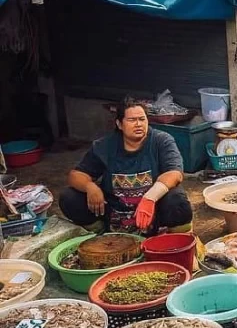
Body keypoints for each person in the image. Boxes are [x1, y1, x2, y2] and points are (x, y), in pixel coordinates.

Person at [60, 99, 190, 234]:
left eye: (142, 119)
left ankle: (179, 240)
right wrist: (90, 186)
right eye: (132, 120)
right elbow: (76, 175)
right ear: (119, 124)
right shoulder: (105, 145)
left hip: (153, 210)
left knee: (176, 199)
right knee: (69, 197)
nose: (138, 124)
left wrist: (150, 198)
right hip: (115, 212)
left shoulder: (161, 140)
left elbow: (175, 173)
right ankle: (98, 232)